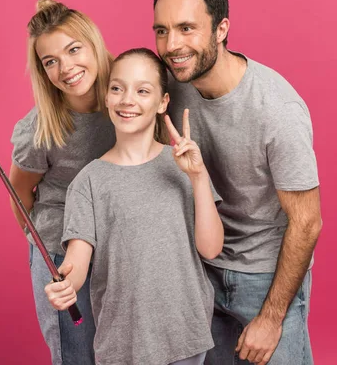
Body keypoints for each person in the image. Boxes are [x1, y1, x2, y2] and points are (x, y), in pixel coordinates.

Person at [152, 0, 323, 365]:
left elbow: (307, 221)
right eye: (161, 30)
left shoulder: (277, 110)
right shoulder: (169, 85)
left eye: (186, 28)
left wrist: (271, 317)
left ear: (221, 28)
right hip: (198, 272)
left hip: (264, 280)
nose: (172, 44)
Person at [44, 48, 224, 365]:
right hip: (122, 343)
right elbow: (76, 263)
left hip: (185, 335)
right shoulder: (88, 182)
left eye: (143, 91)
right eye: (117, 88)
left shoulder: (184, 166)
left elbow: (210, 249)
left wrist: (197, 177)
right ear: (107, 97)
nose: (128, 100)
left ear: (162, 102)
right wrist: (65, 287)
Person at [9, 0, 115, 365]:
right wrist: (45, 249)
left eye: (73, 50)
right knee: (77, 356)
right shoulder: (41, 128)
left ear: (94, 44)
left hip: (120, 248)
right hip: (62, 252)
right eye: (50, 61)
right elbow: (20, 192)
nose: (65, 68)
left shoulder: (130, 95)